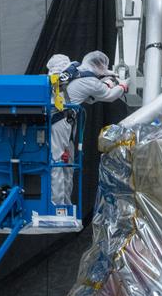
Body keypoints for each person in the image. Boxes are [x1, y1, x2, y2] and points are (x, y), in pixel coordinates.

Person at [46, 51, 128, 206]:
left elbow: (90, 97)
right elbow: (109, 96)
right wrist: (123, 86)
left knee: (66, 163)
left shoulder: (77, 72)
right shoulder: (88, 80)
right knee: (57, 162)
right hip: (60, 122)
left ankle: (65, 205)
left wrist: (106, 80)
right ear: (98, 66)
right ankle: (57, 207)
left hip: (63, 121)